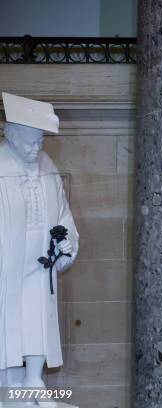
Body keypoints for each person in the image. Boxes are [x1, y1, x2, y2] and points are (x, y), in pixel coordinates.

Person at [0, 93, 78, 403]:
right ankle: (8, 383)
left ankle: (34, 379)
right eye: (29, 142)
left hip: (40, 260)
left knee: (36, 318)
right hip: (7, 261)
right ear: (11, 135)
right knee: (9, 317)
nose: (36, 149)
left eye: (40, 142)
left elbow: (62, 215)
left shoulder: (47, 166)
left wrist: (66, 240)